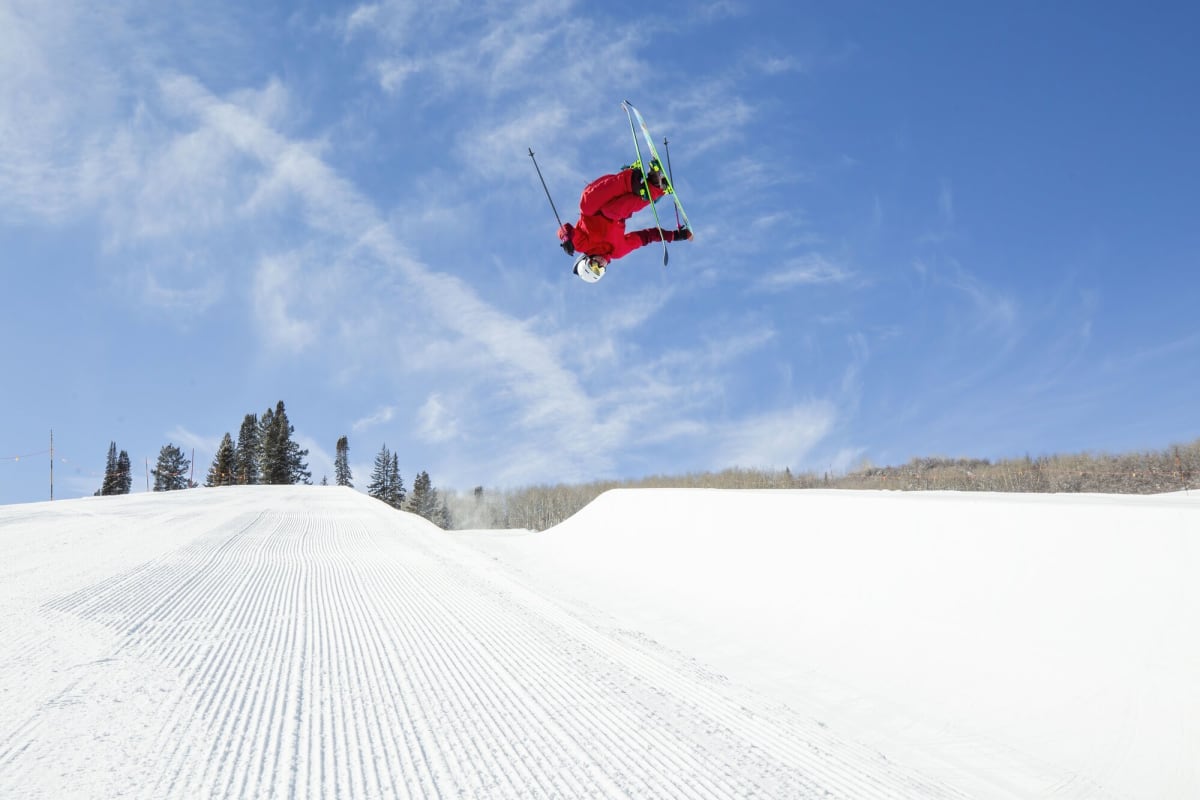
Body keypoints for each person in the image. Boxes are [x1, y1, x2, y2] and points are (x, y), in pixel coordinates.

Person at [558, 162, 692, 282]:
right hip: (619, 208)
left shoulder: (583, 245)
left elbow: (566, 229)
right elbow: (645, 237)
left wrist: (566, 238)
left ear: (587, 260)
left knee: (585, 206)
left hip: (600, 196)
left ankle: (630, 178)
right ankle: (655, 185)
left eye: (593, 266)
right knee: (618, 210)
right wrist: (675, 236)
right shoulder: (618, 251)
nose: (599, 264)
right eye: (600, 270)